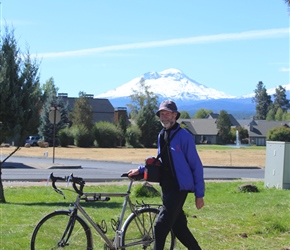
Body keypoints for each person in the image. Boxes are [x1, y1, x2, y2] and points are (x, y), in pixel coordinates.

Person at [128, 100, 205, 250]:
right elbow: (160, 161)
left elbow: (196, 166)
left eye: (167, 114)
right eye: (161, 115)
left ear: (175, 115)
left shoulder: (184, 137)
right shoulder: (162, 135)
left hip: (179, 188)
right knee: (179, 228)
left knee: (160, 226)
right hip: (167, 187)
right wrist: (142, 170)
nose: (164, 118)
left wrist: (199, 194)